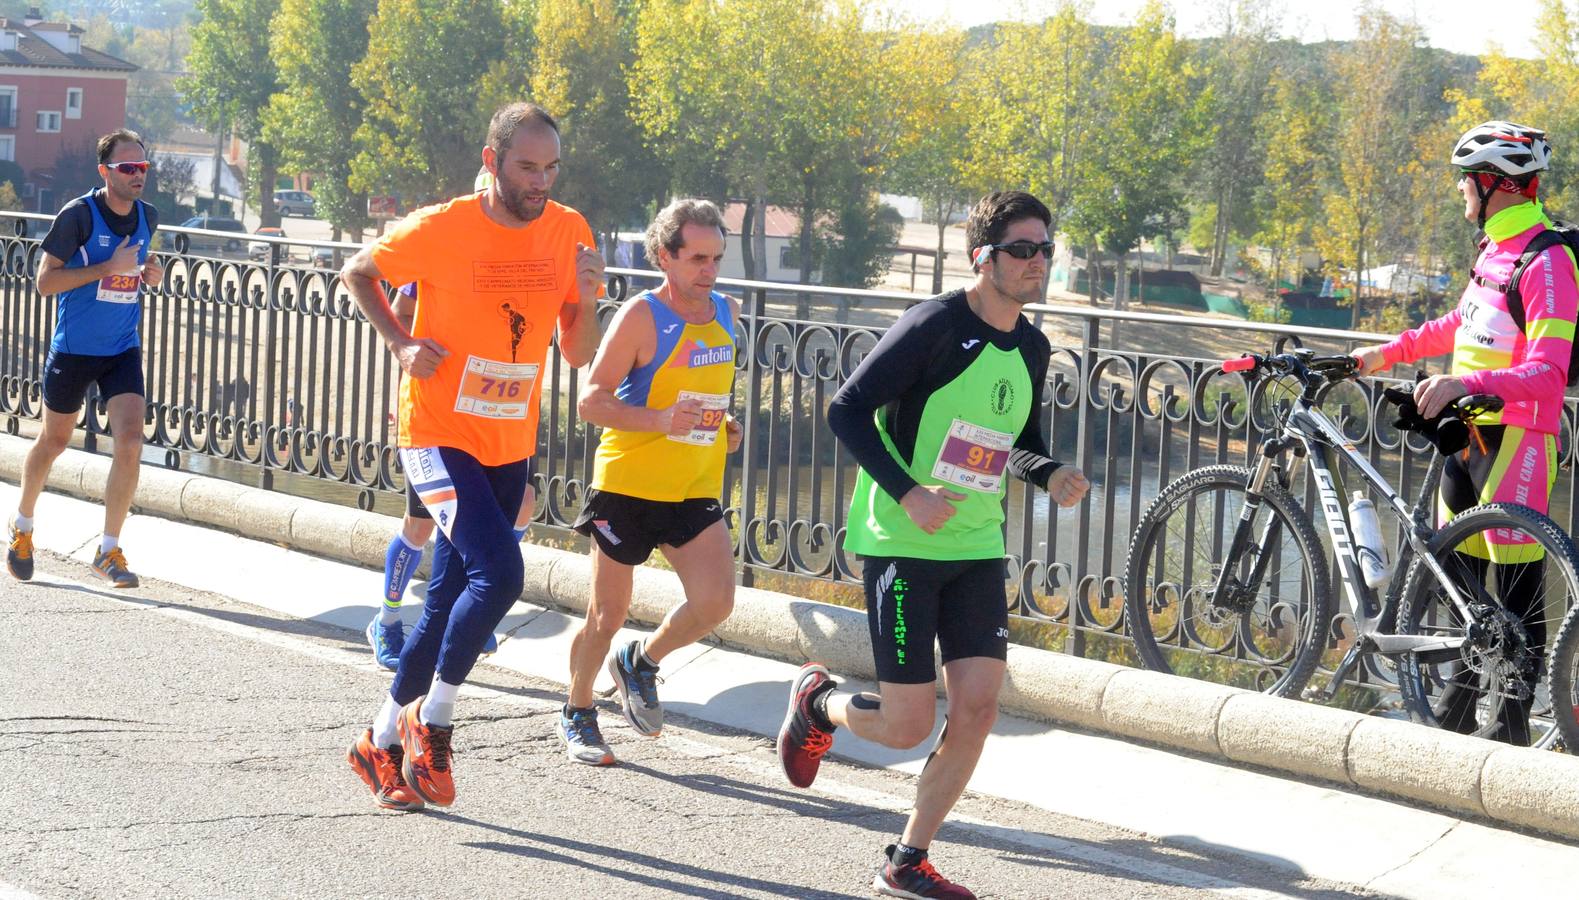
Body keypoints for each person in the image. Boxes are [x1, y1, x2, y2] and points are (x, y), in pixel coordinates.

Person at [776, 191, 1090, 898]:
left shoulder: (1033, 346)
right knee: (906, 725)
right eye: (1021, 249)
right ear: (982, 257)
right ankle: (818, 703)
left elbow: (1018, 447)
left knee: (978, 709)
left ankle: (906, 858)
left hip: (976, 546)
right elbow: (846, 409)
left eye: (1044, 248)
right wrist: (907, 493)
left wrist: (1051, 473)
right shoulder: (933, 326)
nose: (1036, 260)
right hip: (902, 542)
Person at [342, 102, 602, 810]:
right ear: (491, 162)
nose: (540, 181)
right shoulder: (442, 225)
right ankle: (437, 720)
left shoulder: (570, 232)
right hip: (433, 431)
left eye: (550, 168)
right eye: (526, 166)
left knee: (449, 599)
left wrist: (588, 293)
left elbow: (577, 352)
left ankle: (377, 741)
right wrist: (400, 341)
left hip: (507, 438)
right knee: (500, 572)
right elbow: (358, 272)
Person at [1352, 120, 1577, 746]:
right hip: (1468, 439)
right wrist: (1380, 355)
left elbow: (1549, 372)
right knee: (1465, 590)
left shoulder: (1548, 260)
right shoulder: (1494, 251)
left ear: (1494, 184)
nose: (1459, 190)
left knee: (1517, 595)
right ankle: (1456, 712)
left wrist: (1466, 387)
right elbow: (1463, 324)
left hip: (1518, 441)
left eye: (1465, 180)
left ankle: (1509, 732)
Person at [561, 199, 741, 765]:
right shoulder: (641, 316)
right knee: (605, 616)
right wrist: (661, 421)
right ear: (665, 257)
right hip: (628, 486)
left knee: (715, 603)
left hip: (692, 485)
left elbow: (702, 392)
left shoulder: (729, 313)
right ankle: (578, 709)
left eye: (715, 258)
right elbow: (592, 401)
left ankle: (642, 661)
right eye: (695, 259)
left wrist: (726, 425)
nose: (708, 271)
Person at [365, 167, 531, 670]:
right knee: (420, 525)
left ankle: (471, 610)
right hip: (438, 414)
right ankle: (388, 620)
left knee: (520, 506)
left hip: (498, 415)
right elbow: (396, 304)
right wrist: (407, 345)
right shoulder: (447, 242)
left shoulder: (525, 249)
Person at [7, 129, 163, 588]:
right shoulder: (77, 216)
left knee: (131, 442)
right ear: (105, 172)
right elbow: (44, 283)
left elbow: (134, 270)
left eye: (143, 168)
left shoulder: (148, 216)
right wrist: (105, 269)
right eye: (127, 168)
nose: (138, 176)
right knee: (53, 443)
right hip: (73, 351)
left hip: (121, 349)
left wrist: (149, 274)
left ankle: (108, 549)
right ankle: (21, 527)